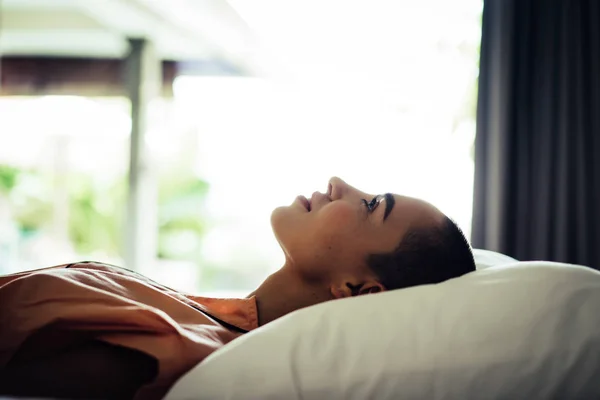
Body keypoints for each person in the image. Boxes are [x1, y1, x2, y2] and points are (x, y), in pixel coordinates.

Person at [0, 177, 475, 399]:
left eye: (372, 206)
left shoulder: (180, 352)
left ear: (358, 290)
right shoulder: (202, 320)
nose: (339, 183)